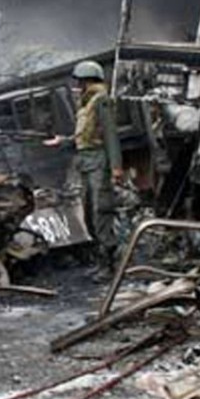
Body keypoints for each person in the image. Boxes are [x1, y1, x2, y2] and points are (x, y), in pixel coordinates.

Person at [44, 60, 124, 276]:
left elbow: (110, 136)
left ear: (89, 81)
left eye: (80, 81)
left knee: (101, 212)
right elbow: (83, 138)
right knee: (89, 214)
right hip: (87, 163)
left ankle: (110, 264)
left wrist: (116, 167)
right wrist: (62, 141)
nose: (78, 85)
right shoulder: (86, 104)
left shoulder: (102, 101)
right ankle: (101, 261)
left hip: (99, 163)